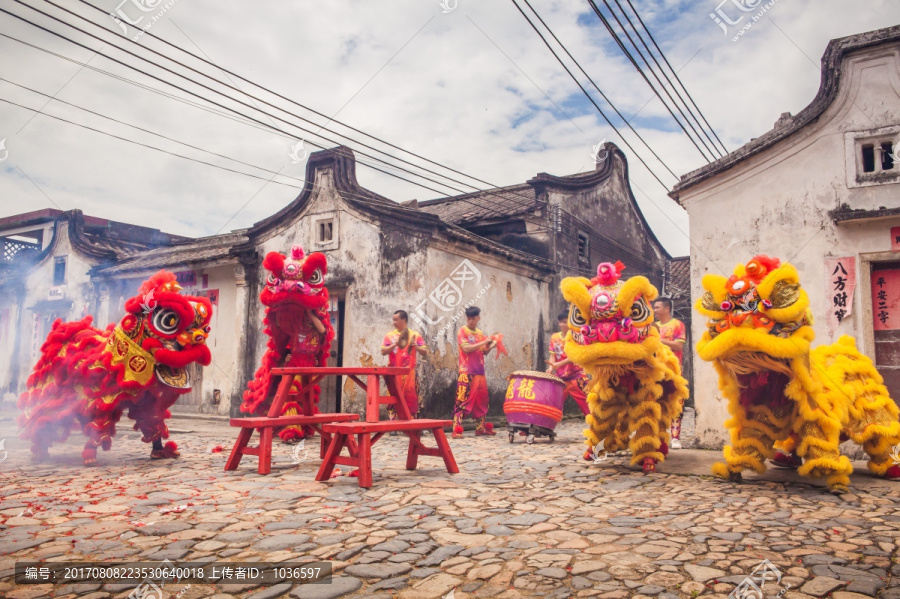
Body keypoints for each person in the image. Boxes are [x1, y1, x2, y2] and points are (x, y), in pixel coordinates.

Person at [453, 306, 497, 438]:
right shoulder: (462, 331)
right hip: (467, 372)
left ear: (478, 318)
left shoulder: (479, 333)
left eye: (473, 318)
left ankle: (480, 428)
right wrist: (483, 342)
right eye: (469, 318)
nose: (471, 321)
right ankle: (456, 429)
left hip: (479, 371)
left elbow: (484, 351)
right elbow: (466, 349)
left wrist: (492, 345)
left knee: (482, 400)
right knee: (462, 400)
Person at [381, 310, 429, 419]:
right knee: (393, 399)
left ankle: (411, 427)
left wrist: (416, 346)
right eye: (393, 320)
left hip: (410, 373)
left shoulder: (415, 335)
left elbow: (425, 351)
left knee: (411, 399)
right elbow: (383, 351)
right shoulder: (390, 336)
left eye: (396, 320)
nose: (394, 322)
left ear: (404, 320)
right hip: (394, 372)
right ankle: (393, 426)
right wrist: (394, 345)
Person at [653, 297, 686, 449]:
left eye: (657, 307)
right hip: (657, 371)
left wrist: (659, 340)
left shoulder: (677, 325)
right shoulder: (654, 326)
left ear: (667, 308)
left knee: (676, 403)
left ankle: (675, 437)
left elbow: (678, 346)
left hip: (674, 370)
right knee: (657, 403)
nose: (654, 310)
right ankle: (658, 435)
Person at [546, 311, 590, 416]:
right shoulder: (555, 337)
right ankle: (543, 426)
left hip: (577, 377)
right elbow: (552, 355)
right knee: (551, 403)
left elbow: (574, 356)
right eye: (561, 322)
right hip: (561, 378)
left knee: (588, 404)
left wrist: (559, 364)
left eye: (565, 322)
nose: (562, 324)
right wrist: (550, 368)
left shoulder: (577, 337)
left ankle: (598, 427)